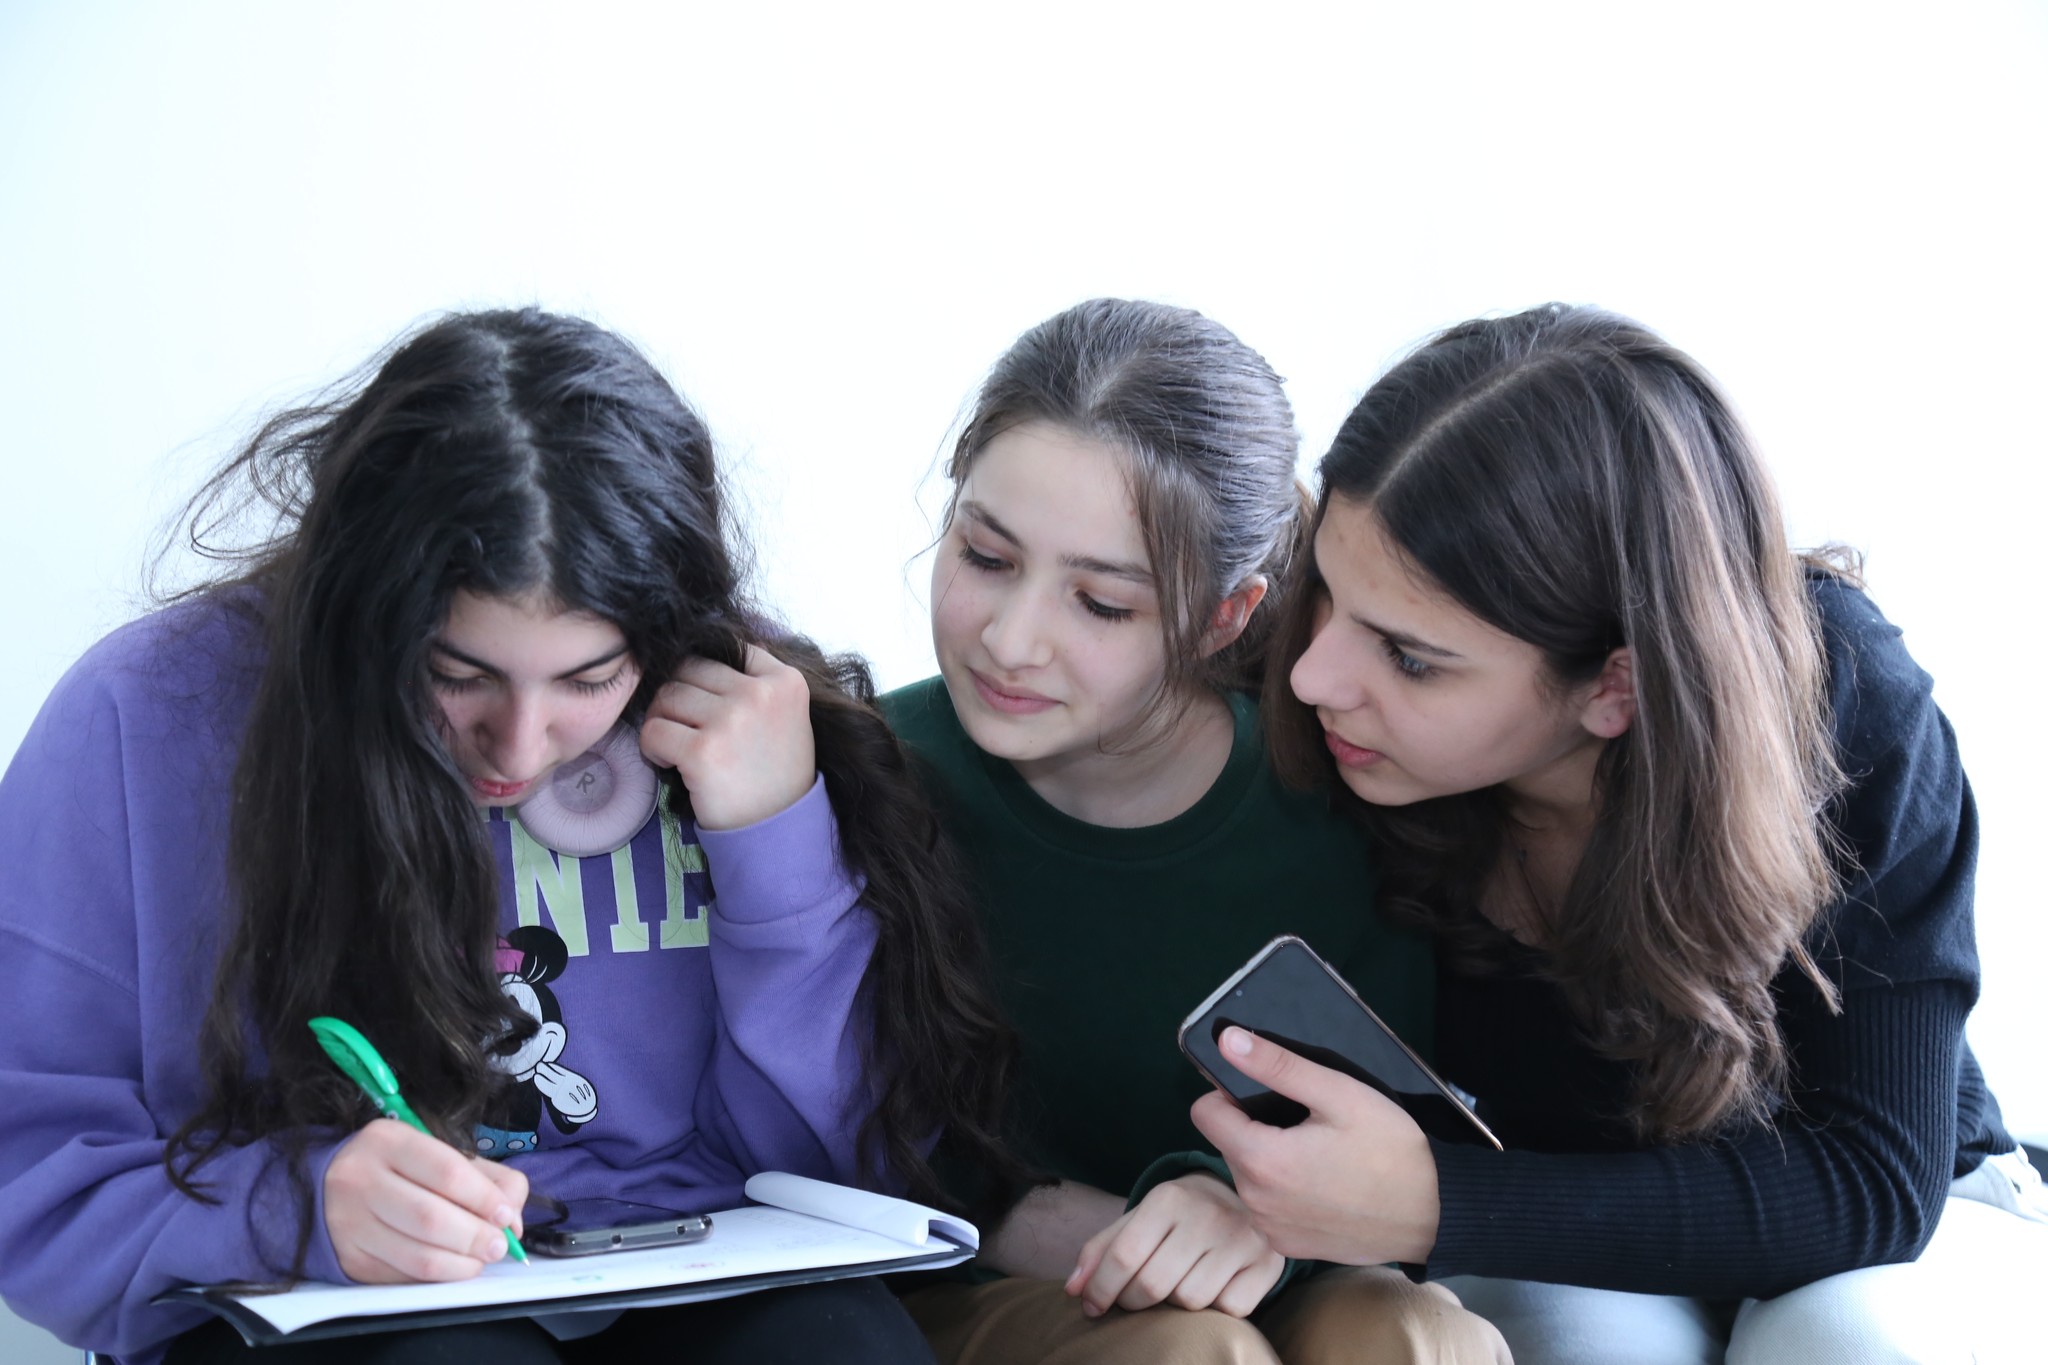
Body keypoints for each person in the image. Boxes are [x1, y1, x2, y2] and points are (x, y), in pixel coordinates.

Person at [0, 309, 1021, 1365]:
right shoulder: (144, 717)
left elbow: (852, 1167)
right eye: (456, 673)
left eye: (589, 680)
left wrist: (776, 843)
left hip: (694, 1270)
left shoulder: (745, 717)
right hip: (331, 1302)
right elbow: (31, 1184)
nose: (521, 744)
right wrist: (295, 1210)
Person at [1195, 303, 2048, 1363]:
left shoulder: (1838, 696)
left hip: (1887, 1224)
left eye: (1410, 658)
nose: (1314, 675)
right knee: (1584, 1346)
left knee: (1849, 1342)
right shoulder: (1329, 720)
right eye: (1327, 592)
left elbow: (1870, 1182)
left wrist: (1439, 1203)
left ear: (1615, 686)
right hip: (1552, 1217)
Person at [881, 298, 1510, 1365]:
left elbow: (1397, 1134)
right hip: (984, 1287)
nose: (1011, 640)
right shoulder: (873, 777)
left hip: (1281, 1263)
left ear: (1225, 614)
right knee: (1191, 1355)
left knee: (1410, 1338)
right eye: (985, 555)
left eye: (1101, 604)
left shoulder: (1341, 802)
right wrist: (1119, 1231)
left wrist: (1245, 1206)